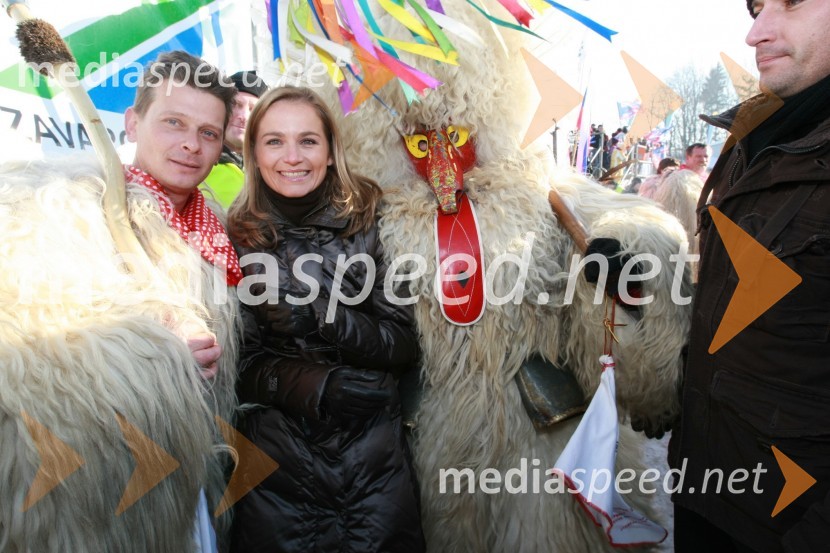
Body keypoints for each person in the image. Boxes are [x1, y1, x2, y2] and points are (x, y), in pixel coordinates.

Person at [227, 86, 425, 552]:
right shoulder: (234, 236)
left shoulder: (376, 221)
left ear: (331, 151)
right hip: (277, 471)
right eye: (274, 141)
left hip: (374, 463)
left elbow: (403, 342)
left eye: (308, 141)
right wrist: (317, 386)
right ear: (253, 153)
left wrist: (321, 317)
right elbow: (240, 367)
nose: (292, 157)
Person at [670, 1, 830, 551]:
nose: (754, 33)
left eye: (790, 1)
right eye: (756, 8)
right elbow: (738, 308)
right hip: (706, 492)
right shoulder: (754, 136)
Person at [124, 50, 242, 375]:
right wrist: (152, 348)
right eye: (174, 123)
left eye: (208, 133)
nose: (191, 144)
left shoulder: (223, 232)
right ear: (132, 124)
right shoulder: (75, 220)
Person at [201, 70, 268, 209]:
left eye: (253, 109)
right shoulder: (194, 161)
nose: (244, 116)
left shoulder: (275, 169)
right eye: (235, 105)